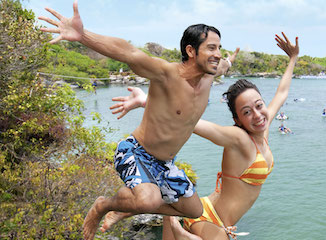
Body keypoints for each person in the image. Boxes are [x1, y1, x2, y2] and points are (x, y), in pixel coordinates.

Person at [38, 2, 239, 239]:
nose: (216, 54)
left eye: (219, 48)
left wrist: (229, 59)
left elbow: (224, 65)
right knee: (148, 199)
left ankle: (126, 210)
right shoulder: (166, 74)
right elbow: (129, 52)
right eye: (211, 48)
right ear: (191, 51)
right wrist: (83, 36)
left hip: (165, 163)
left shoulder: (210, 74)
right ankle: (104, 205)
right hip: (135, 151)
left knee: (194, 210)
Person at [116, 33, 298, 239]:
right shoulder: (237, 138)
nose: (257, 115)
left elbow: (281, 93)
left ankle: (145, 214)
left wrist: (293, 58)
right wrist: (145, 100)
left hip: (214, 217)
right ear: (238, 120)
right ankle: (174, 226)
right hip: (209, 218)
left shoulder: (263, 128)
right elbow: (189, 121)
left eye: (259, 106)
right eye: (247, 112)